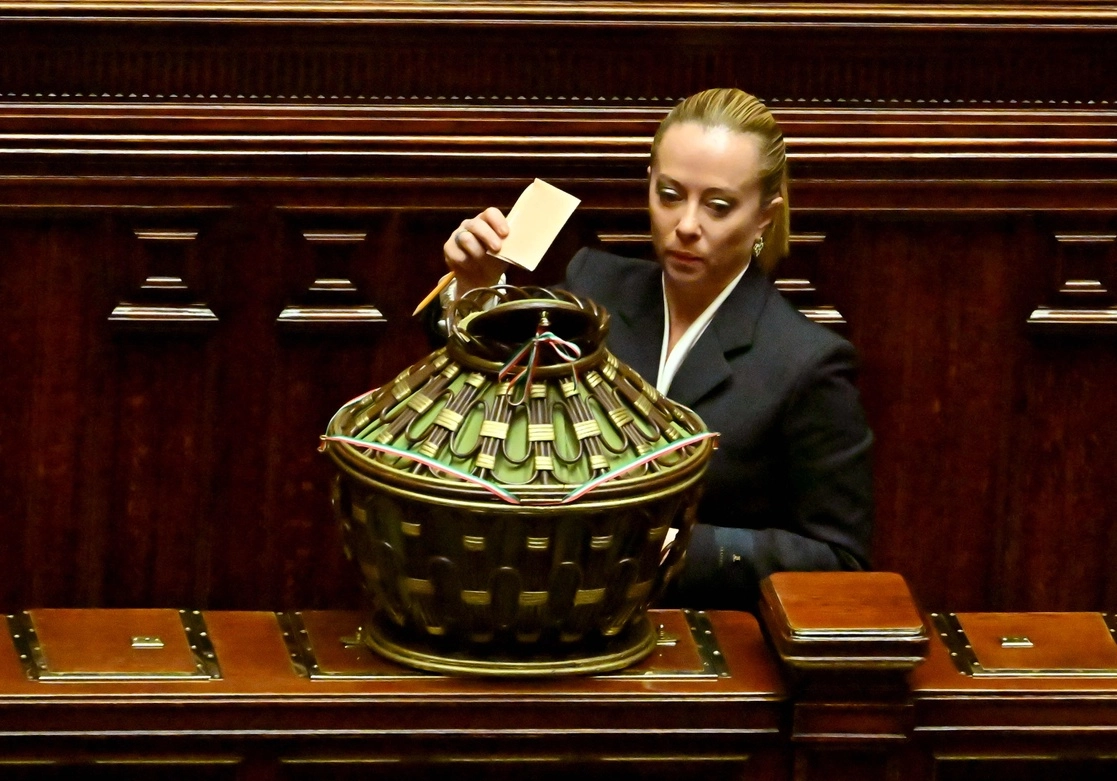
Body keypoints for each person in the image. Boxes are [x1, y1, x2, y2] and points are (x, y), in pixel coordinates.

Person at [439, 88, 873, 611]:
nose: (687, 225)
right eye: (669, 195)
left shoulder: (806, 361)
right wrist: (475, 289)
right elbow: (486, 396)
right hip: (550, 612)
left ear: (764, 215)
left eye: (718, 206)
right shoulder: (592, 287)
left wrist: (671, 541)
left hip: (704, 640)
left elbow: (840, 560)